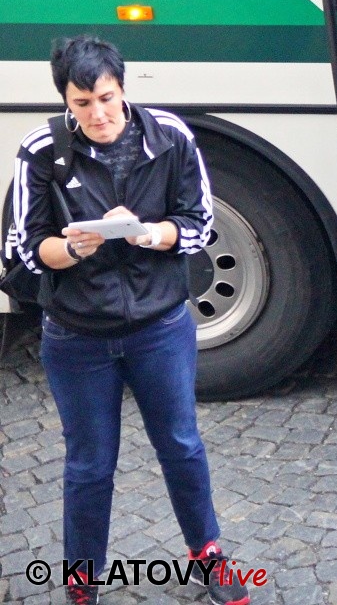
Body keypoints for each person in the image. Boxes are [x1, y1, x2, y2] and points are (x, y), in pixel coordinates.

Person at [11, 36, 249, 605]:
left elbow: (197, 223)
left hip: (159, 326)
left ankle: (206, 553)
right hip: (76, 335)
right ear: (65, 101)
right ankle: (83, 577)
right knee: (89, 463)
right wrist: (74, 248)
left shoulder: (169, 136)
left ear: (123, 88)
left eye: (106, 98)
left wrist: (146, 232)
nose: (98, 114)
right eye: (82, 103)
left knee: (181, 444)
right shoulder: (41, 150)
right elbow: (25, 248)